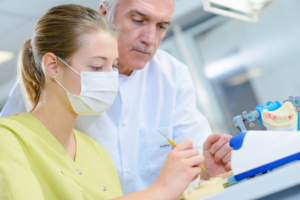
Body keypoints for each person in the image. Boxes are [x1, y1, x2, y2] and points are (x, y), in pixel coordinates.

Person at [0, 0, 233, 195]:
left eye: (161, 26)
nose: (150, 39)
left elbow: (193, 160)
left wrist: (203, 168)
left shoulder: (173, 75)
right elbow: (16, 147)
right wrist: (160, 191)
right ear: (105, 14)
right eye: (139, 20)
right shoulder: (18, 122)